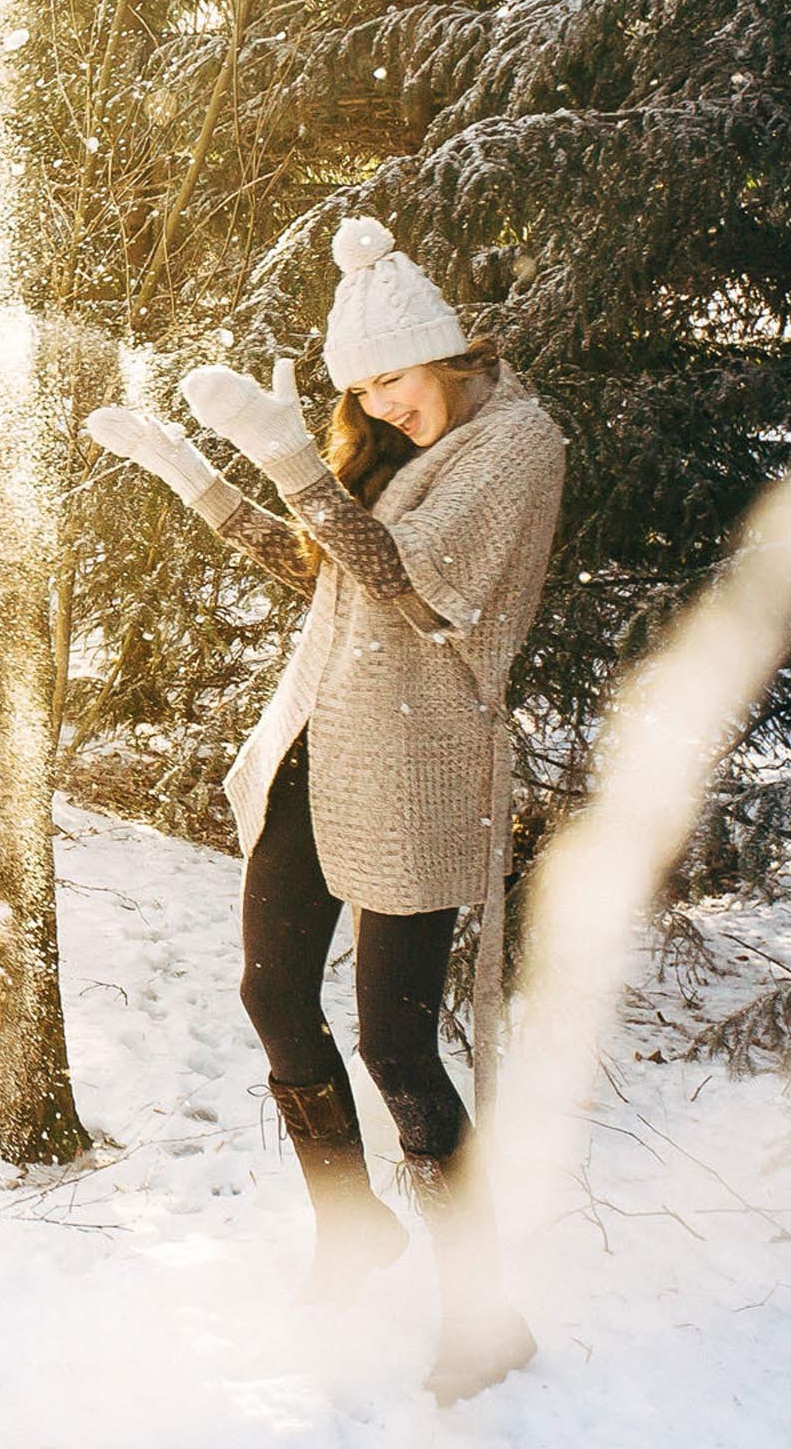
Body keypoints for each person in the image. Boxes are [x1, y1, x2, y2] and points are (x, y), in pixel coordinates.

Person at [84, 216, 563, 1402]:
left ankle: (486, 1313)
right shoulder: (404, 445)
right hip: (319, 740)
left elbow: (408, 584)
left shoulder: (516, 444)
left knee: (396, 1042)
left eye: (393, 378)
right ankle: (354, 1229)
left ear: (449, 352)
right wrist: (191, 472)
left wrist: (286, 451)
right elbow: (327, 565)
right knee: (269, 988)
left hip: (422, 764)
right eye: (363, 388)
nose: (383, 405)